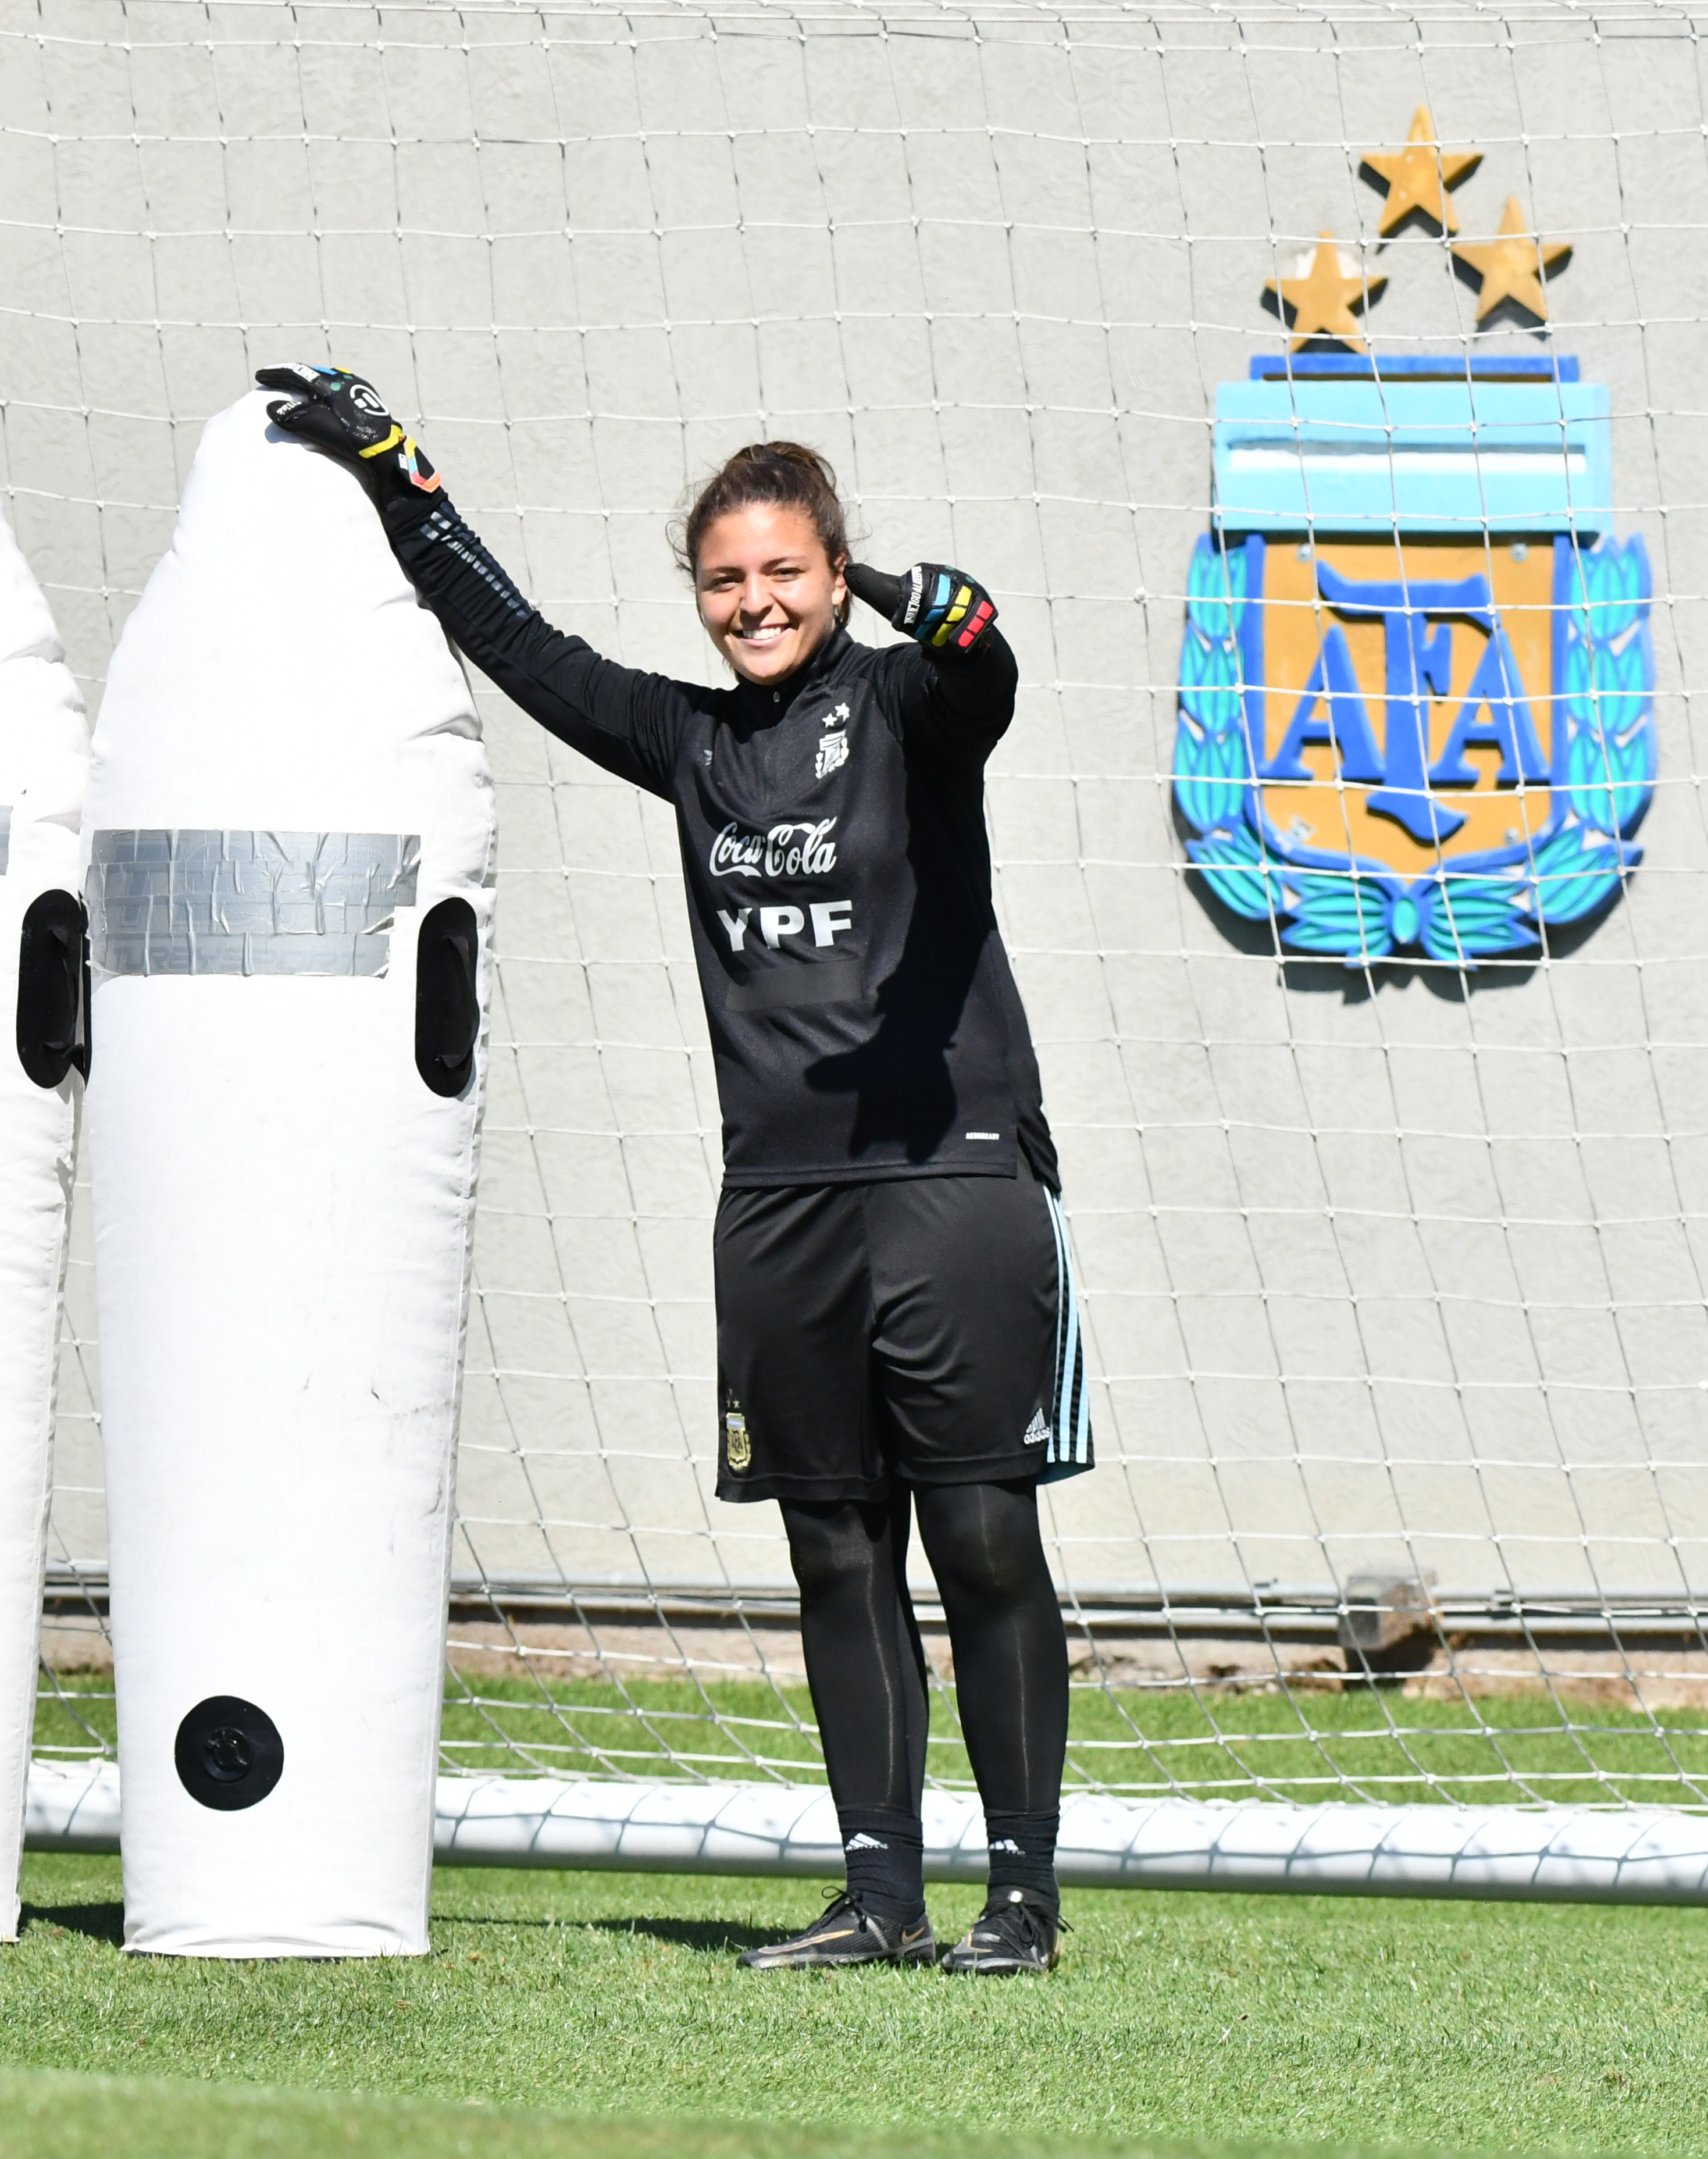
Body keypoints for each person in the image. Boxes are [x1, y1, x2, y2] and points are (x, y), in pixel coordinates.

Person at [259, 365, 1088, 1978]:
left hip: (954, 1178)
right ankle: (879, 1897)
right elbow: (522, 648)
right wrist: (401, 475)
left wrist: (941, 614)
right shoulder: (691, 741)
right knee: (833, 1543)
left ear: (834, 574)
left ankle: (1023, 1900)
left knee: (983, 1539)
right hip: (777, 1205)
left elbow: (981, 670)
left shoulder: (905, 708)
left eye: (785, 571)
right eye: (724, 578)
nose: (754, 602)